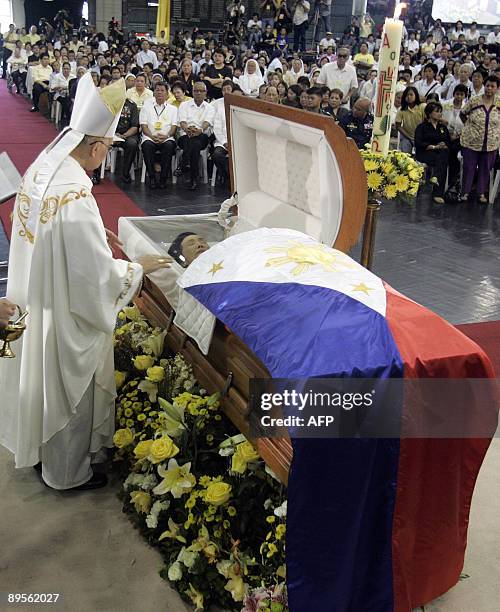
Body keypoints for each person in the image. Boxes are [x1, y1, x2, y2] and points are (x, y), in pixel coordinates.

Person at [0, 74, 171, 491]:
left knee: (40, 379)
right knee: (67, 386)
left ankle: (43, 454)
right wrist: (137, 268)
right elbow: (92, 278)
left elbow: (57, 239)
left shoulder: (45, 168)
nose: (107, 156)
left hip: (33, 294)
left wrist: (98, 235)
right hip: (62, 311)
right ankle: (67, 473)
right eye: (108, 149)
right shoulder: (76, 195)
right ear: (95, 146)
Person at [459, 75, 500, 203]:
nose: (489, 88)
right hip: (471, 142)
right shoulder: (474, 100)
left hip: (491, 143)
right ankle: (465, 192)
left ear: (497, 88)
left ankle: (481, 193)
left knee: (485, 168)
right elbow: (462, 114)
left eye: (492, 86)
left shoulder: (499, 103)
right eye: (487, 85)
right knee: (469, 167)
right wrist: (470, 128)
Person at [177, 81, 215, 190]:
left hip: (202, 135)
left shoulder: (210, 108)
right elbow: (182, 121)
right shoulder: (184, 105)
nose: (198, 93)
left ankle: (184, 164)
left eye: (201, 91)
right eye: (196, 91)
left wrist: (199, 130)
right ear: (192, 92)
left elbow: (207, 123)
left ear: (205, 93)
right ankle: (194, 177)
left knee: (196, 142)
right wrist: (187, 129)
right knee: (194, 144)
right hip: (185, 135)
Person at [140, 82, 178, 190]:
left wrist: (166, 136)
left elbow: (174, 127)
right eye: (157, 90)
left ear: (167, 93)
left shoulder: (173, 109)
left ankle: (163, 178)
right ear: (154, 92)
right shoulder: (146, 107)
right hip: (150, 137)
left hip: (167, 138)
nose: (159, 92)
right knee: (147, 146)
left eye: (162, 90)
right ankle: (151, 177)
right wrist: (152, 136)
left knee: (169, 146)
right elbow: (144, 126)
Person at [414, 102, 451, 204]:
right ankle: (437, 193)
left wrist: (444, 144)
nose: (440, 114)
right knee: (442, 159)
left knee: (443, 155)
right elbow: (418, 142)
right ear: (429, 113)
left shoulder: (442, 127)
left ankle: (435, 178)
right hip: (426, 153)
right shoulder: (422, 127)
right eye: (437, 111)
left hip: (440, 153)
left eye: (440, 112)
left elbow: (448, 142)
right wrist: (434, 146)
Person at [441, 84, 467, 190]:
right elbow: (440, 119)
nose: (459, 97)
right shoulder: (446, 105)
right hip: (445, 134)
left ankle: (453, 181)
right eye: (457, 94)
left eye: (461, 94)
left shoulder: (466, 107)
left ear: (465, 96)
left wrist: (458, 135)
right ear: (454, 94)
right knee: (447, 149)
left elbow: (468, 125)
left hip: (460, 137)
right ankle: (446, 180)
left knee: (454, 151)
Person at [395, 86, 426, 153]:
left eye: (411, 94)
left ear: (416, 95)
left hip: (421, 137)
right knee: (404, 156)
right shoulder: (401, 109)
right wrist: (409, 137)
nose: (409, 97)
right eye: (407, 95)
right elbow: (398, 126)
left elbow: (427, 122)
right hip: (407, 137)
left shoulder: (422, 106)